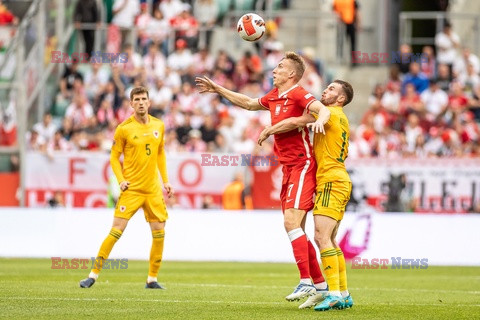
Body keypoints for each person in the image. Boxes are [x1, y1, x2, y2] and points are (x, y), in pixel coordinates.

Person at [196, 52, 330, 303]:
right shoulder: (274, 96)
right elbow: (247, 102)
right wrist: (218, 89)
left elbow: (321, 110)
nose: (274, 70)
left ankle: (305, 282)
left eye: (280, 67)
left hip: (303, 164)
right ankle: (321, 288)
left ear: (291, 74)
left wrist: (319, 120)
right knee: (297, 227)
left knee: (291, 222)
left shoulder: (299, 93)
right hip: (287, 167)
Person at [257, 80, 355, 310]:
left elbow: (296, 121)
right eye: (327, 87)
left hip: (331, 180)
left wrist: (270, 128)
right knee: (330, 240)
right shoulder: (338, 116)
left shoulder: (329, 112)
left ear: (341, 99)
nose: (325, 90)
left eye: (332, 89)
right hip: (338, 180)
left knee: (321, 238)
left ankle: (333, 294)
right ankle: (343, 292)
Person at [80, 86, 174, 289]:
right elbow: (114, 157)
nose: (141, 102)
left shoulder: (159, 125)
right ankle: (93, 274)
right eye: (137, 99)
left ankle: (152, 279)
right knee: (116, 230)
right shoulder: (124, 128)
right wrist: (121, 179)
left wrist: (165, 180)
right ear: (131, 104)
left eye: (144, 99)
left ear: (149, 102)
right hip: (131, 189)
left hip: (152, 190)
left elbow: (160, 153)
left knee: (159, 232)